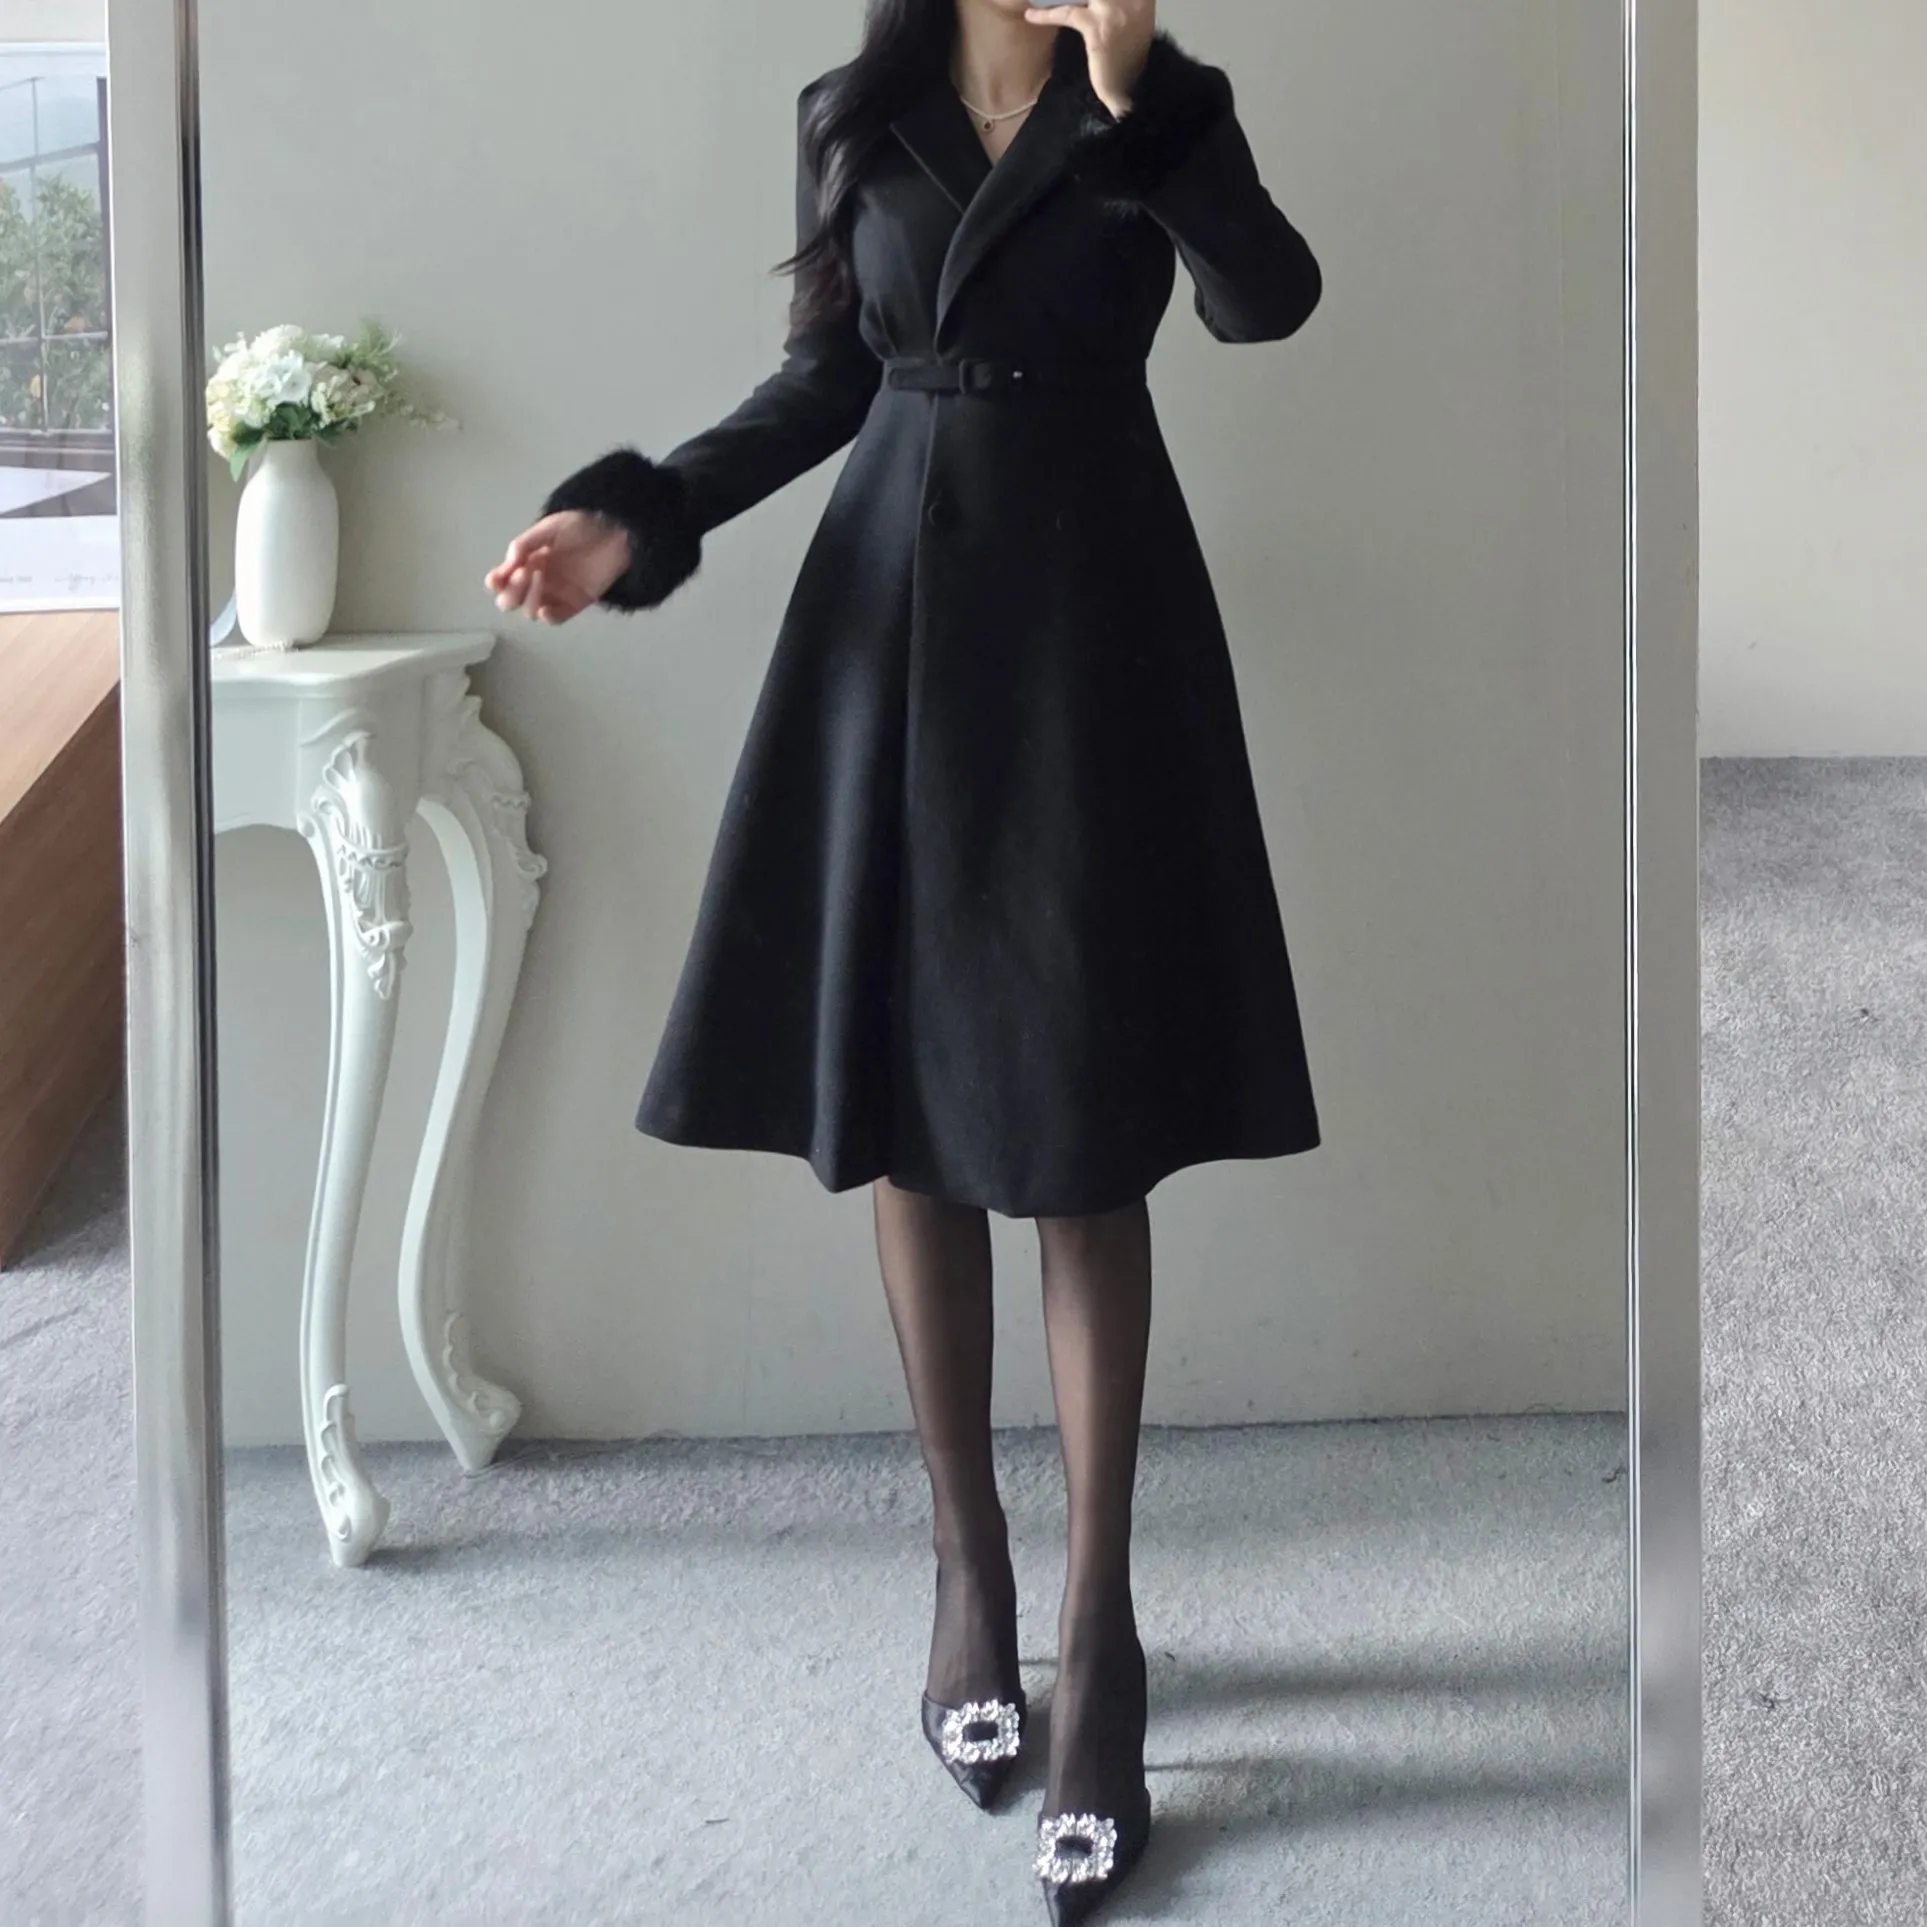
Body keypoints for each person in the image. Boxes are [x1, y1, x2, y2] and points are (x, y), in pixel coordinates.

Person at [486, 1, 1322, 1916]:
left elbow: (1266, 302)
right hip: (891, 621)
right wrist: (634, 517)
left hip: (1090, 627)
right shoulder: (849, 112)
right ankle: (969, 1573)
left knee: (1083, 1139)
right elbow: (823, 381)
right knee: (915, 1115)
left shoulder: (1156, 105)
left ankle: (1100, 1641)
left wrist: (1139, 102)